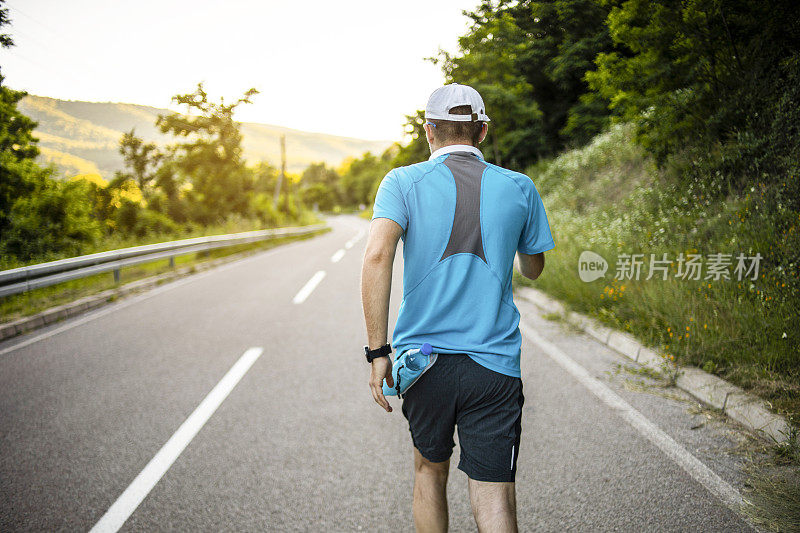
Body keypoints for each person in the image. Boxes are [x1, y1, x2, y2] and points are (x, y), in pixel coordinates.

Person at [360, 83, 554, 533]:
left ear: (429, 132)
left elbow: (376, 257)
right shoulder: (520, 187)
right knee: (494, 491)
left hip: (422, 363)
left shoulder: (401, 182)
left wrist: (377, 353)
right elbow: (534, 269)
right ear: (481, 131)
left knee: (430, 471)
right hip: (494, 364)